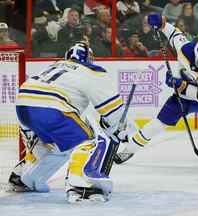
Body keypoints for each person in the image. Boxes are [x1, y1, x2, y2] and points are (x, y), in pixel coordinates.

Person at [8, 42, 133, 203]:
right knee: (91, 141)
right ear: (89, 58)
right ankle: (81, 186)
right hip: (52, 109)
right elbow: (113, 109)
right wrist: (119, 128)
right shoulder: (90, 71)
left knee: (53, 147)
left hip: (23, 106)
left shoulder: (55, 66)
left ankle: (24, 177)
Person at [114, 13, 198, 168]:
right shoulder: (185, 48)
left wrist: (181, 85)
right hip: (181, 98)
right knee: (157, 124)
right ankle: (129, 149)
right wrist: (161, 23)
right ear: (195, 52)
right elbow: (173, 33)